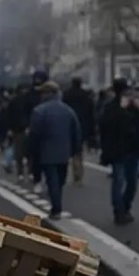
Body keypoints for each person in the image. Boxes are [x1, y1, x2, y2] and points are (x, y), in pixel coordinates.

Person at [28, 81, 81, 219]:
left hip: (46, 152)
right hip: (64, 152)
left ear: (48, 94)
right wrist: (75, 149)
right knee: (60, 180)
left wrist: (32, 152)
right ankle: (57, 205)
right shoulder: (68, 111)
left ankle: (56, 208)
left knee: (52, 180)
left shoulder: (39, 111)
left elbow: (34, 134)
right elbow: (75, 131)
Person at [99, 79, 139, 225]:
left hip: (132, 148)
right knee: (118, 180)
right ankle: (118, 212)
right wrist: (122, 109)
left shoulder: (133, 107)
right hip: (117, 149)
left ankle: (126, 207)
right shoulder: (111, 107)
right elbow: (106, 125)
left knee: (132, 182)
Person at [63, 77, 95, 186]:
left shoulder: (66, 95)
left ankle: (73, 172)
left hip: (68, 124)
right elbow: (91, 113)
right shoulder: (86, 96)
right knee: (79, 150)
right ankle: (79, 174)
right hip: (83, 124)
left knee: (71, 149)